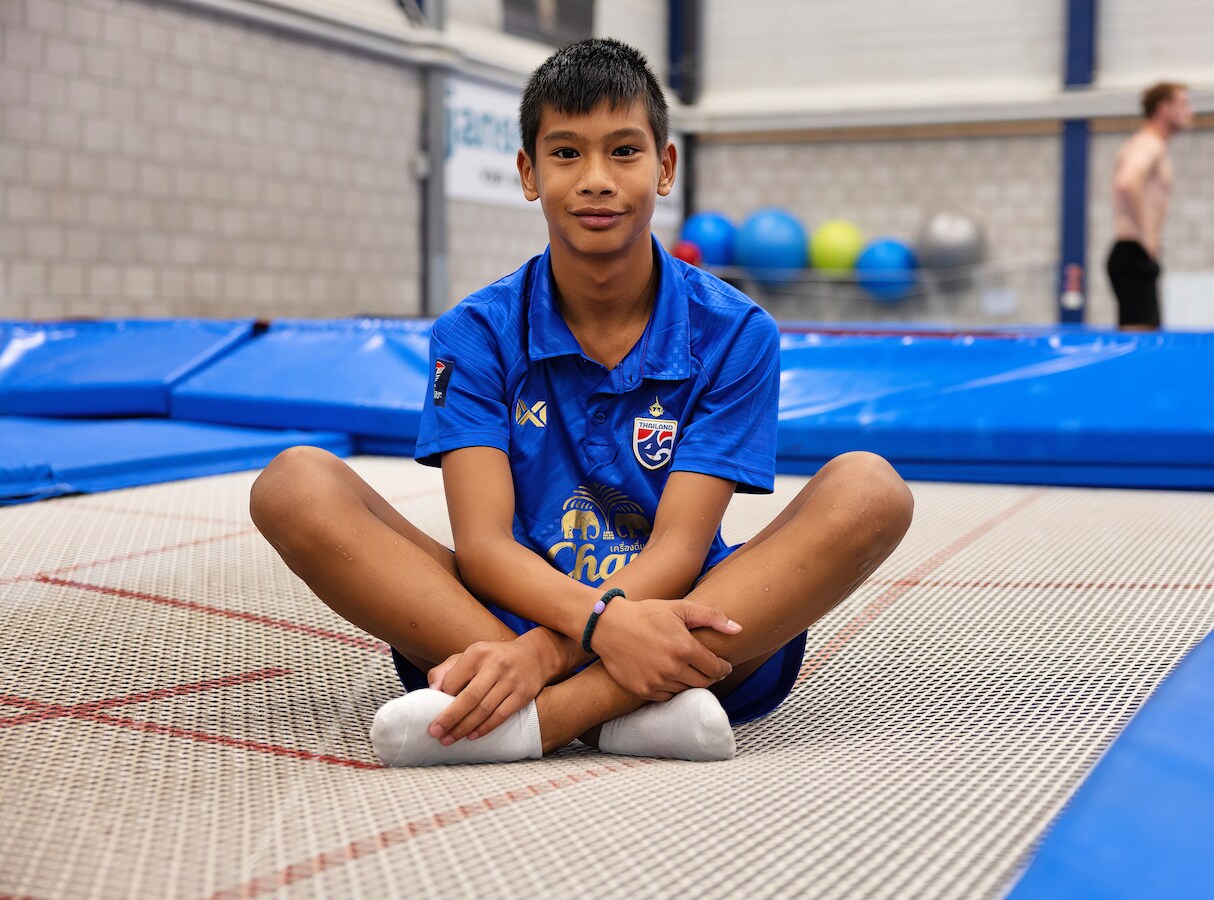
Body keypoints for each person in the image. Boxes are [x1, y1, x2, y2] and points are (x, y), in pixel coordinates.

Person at [249, 38, 914, 766]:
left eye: (623, 151)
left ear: (664, 168)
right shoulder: (475, 333)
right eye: (566, 154)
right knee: (294, 485)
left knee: (870, 491)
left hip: (675, 625)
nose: (596, 179)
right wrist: (588, 631)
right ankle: (626, 713)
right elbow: (485, 546)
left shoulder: (735, 332)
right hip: (496, 624)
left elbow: (677, 549)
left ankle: (546, 717)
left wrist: (550, 657)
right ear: (529, 174)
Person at [1107, 81, 1195, 330]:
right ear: (1164, 108)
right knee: (1140, 343)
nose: (1191, 111)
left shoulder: (1150, 145)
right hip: (1133, 253)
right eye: (1184, 104)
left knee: (1145, 339)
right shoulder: (1149, 144)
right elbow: (1126, 183)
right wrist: (1148, 235)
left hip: (1134, 254)